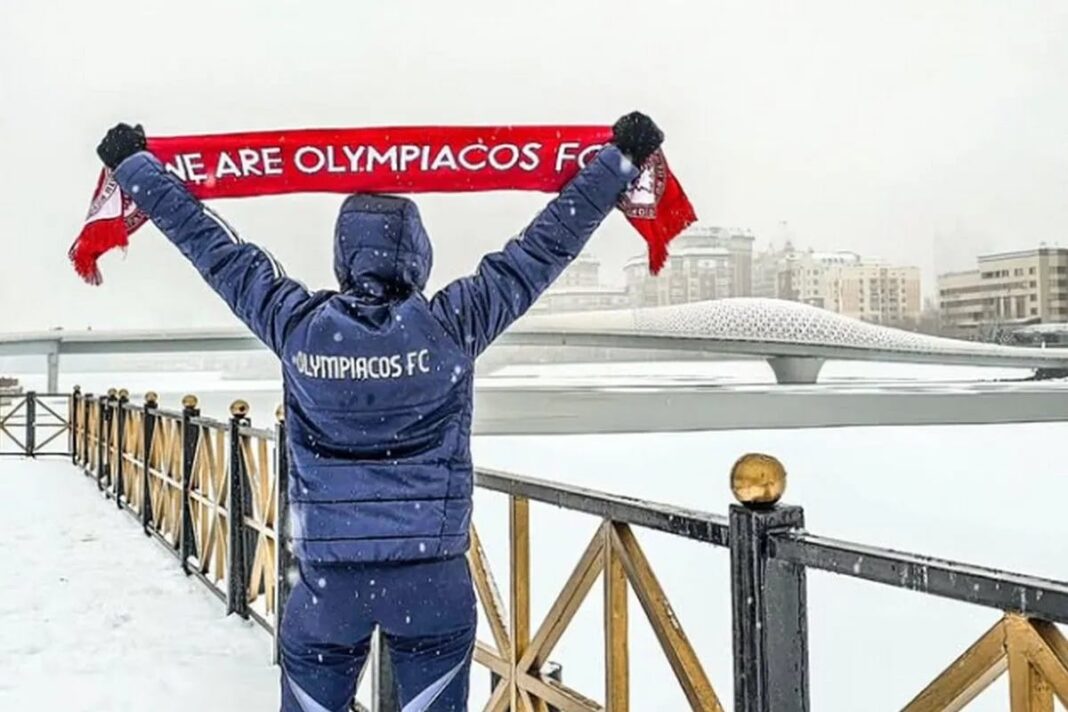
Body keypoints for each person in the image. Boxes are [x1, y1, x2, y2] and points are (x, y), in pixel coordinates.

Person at [96, 112, 663, 712]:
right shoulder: (452, 325)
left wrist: (136, 168)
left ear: (344, 257)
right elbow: (542, 249)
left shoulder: (298, 327)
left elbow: (215, 251)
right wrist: (618, 162)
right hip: (431, 580)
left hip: (327, 586)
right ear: (419, 256)